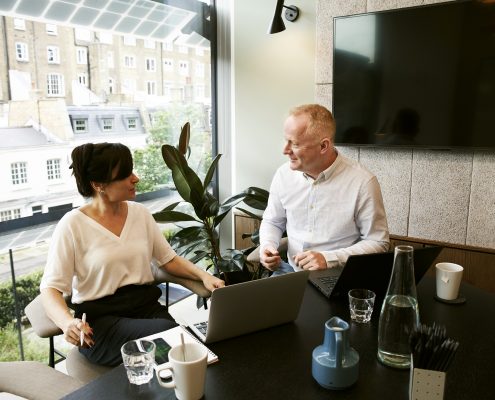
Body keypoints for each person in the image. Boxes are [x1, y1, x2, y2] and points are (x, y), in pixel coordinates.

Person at [40, 142, 224, 366]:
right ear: (99, 184)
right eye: (125, 174)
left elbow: (169, 260)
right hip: (102, 324)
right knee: (176, 343)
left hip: (148, 310)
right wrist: (67, 322)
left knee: (190, 353)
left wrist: (204, 276)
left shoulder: (140, 214)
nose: (135, 178)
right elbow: (50, 289)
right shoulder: (72, 225)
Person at [259, 104, 389, 275]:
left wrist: (329, 259)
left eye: (295, 144)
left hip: (339, 275)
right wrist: (268, 245)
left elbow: (378, 242)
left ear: (323, 146)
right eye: (286, 140)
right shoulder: (283, 175)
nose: (285, 150)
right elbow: (273, 221)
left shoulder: (363, 182)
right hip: (289, 271)